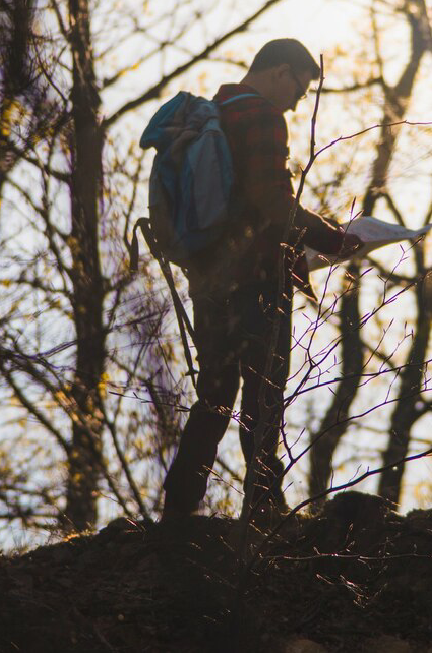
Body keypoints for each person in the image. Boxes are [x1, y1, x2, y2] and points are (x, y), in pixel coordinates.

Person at [161, 39, 361, 525]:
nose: (298, 99)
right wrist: (336, 240)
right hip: (254, 280)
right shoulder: (263, 116)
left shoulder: (214, 110)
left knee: (215, 392)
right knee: (264, 396)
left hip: (209, 277)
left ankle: (179, 510)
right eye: (299, 85)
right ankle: (266, 513)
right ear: (277, 72)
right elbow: (273, 204)